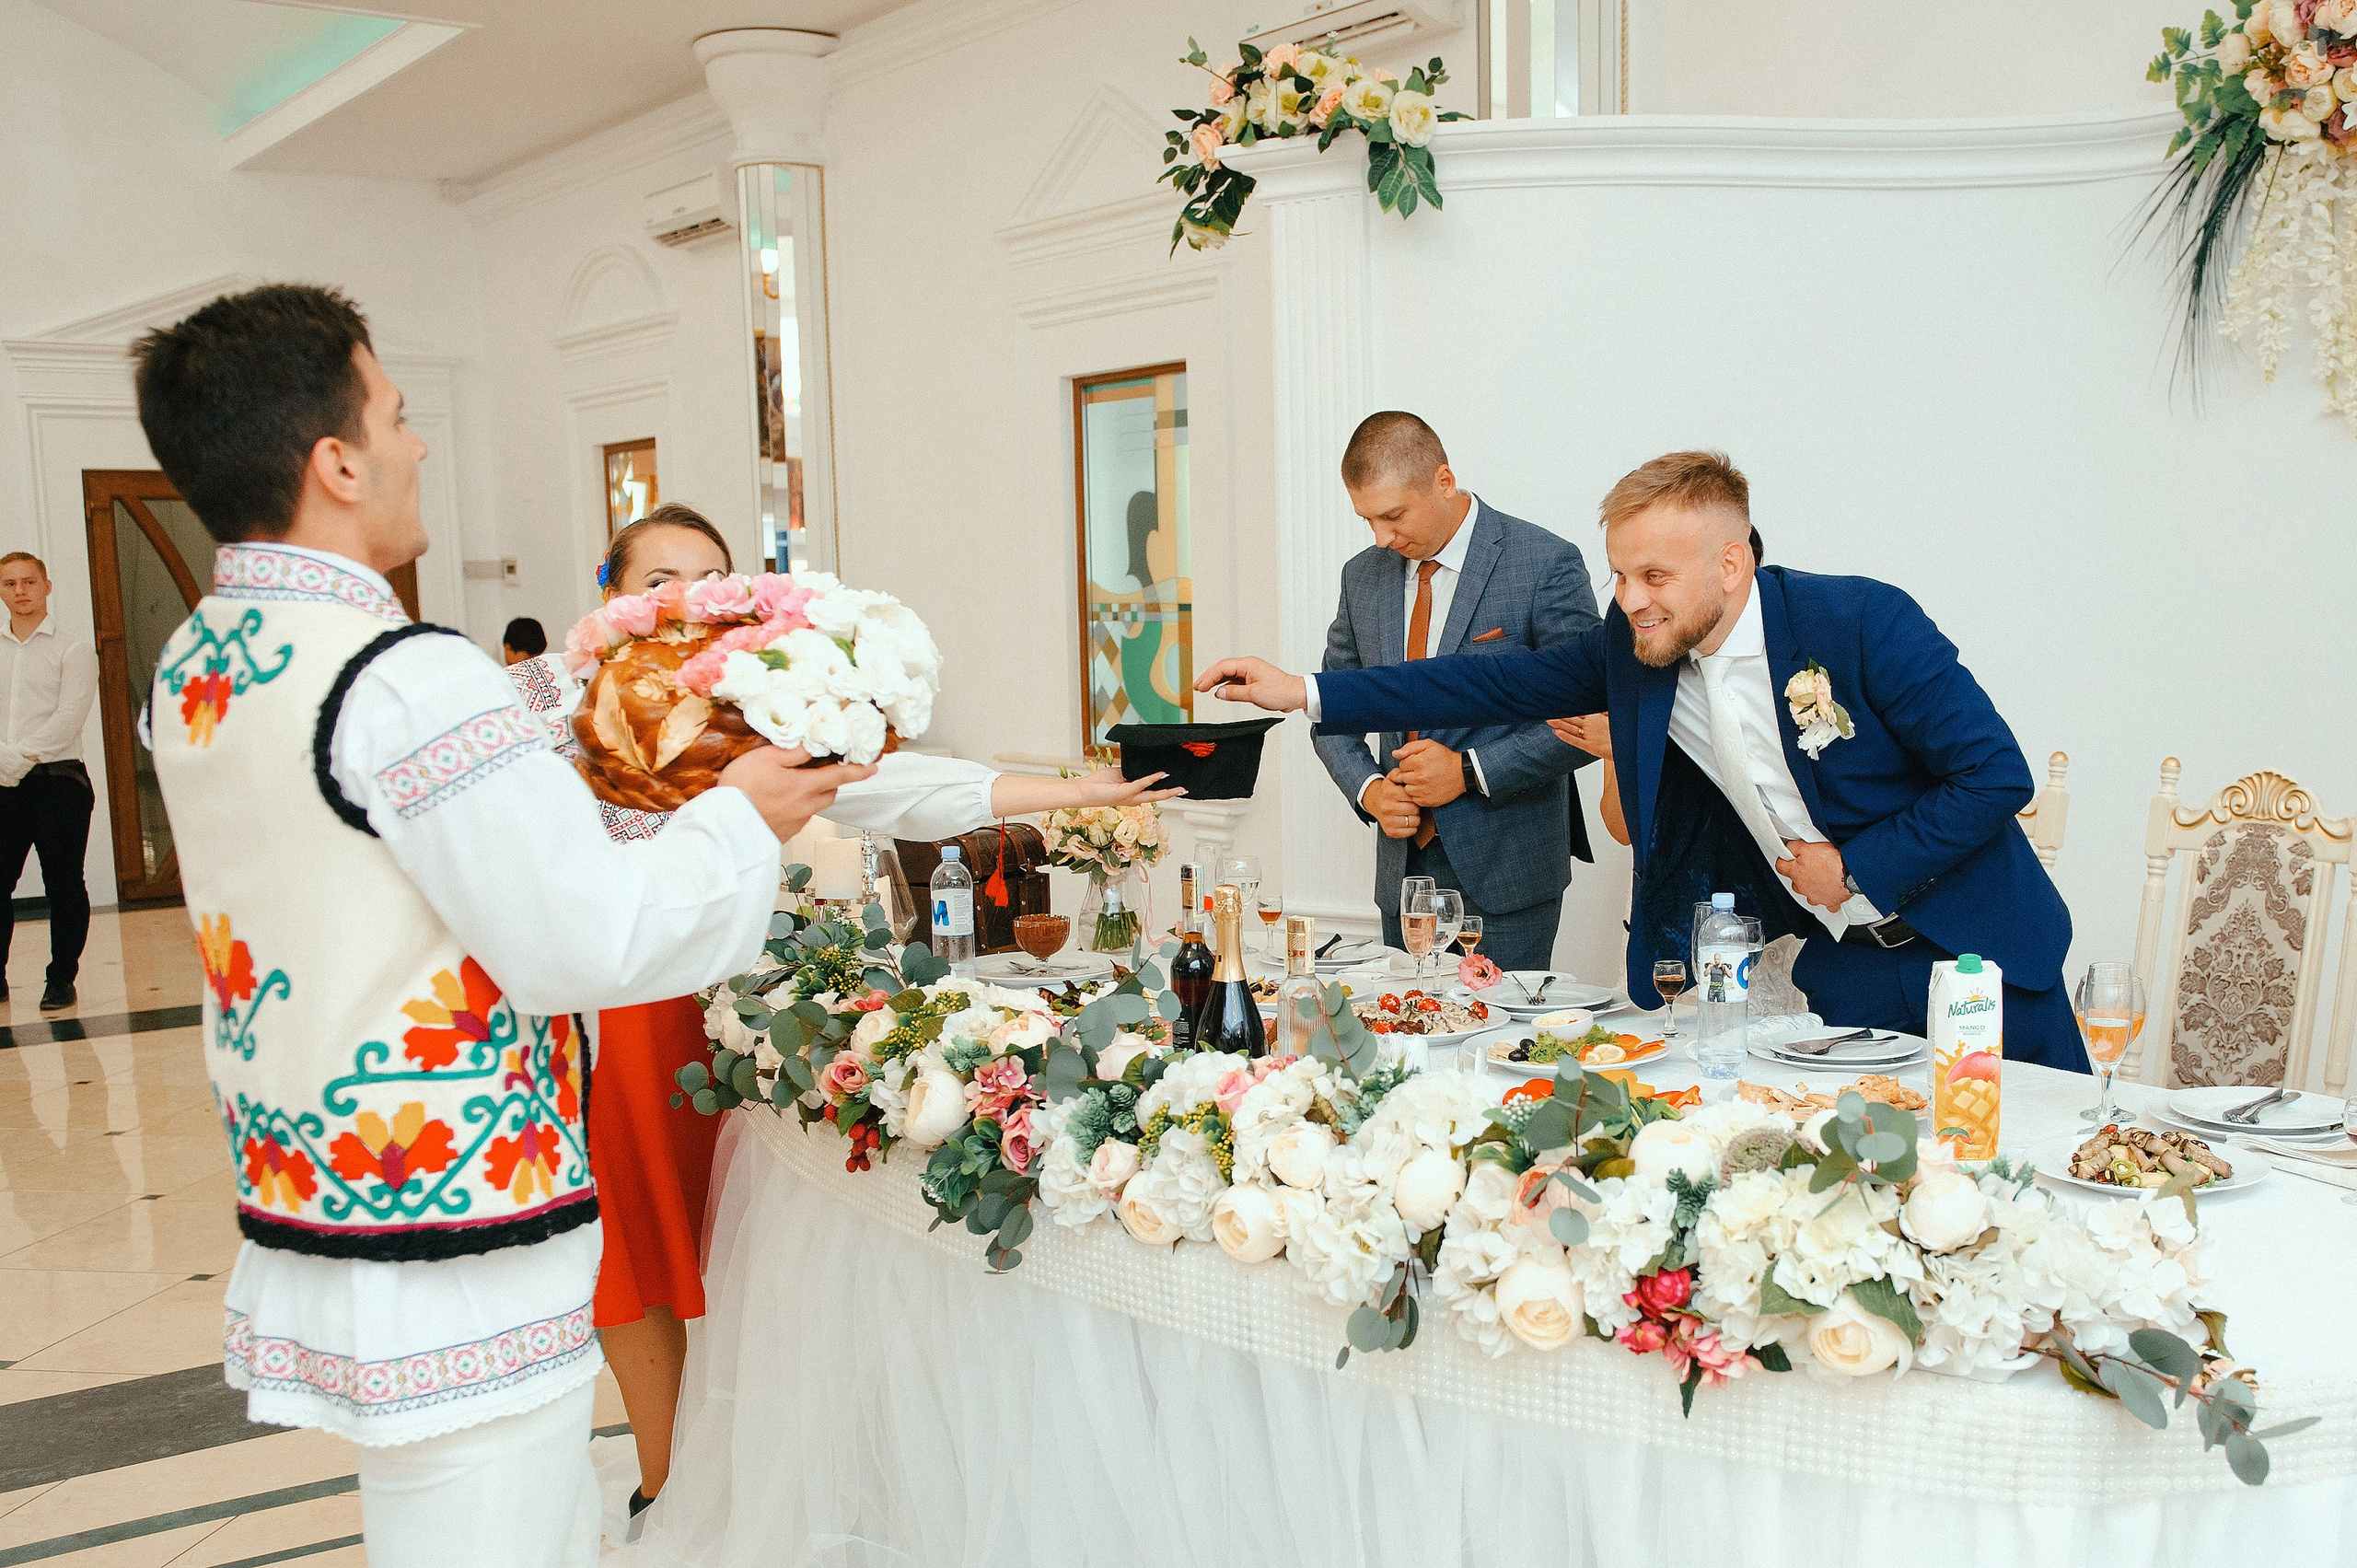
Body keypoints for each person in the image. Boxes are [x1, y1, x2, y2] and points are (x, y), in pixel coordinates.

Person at [132, 282, 872, 1568]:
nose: (419, 444)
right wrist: (743, 812)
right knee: (496, 1526)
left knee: (437, 1521)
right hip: (459, 1213)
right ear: (337, 459)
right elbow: (580, 938)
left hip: (325, 1188)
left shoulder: (204, 654)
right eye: (399, 414)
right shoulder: (404, 674)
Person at [508, 500, 1184, 1525]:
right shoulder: (543, 702)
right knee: (635, 1248)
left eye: (704, 583)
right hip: (602, 1017)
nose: (679, 601)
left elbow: (899, 788)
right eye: (657, 582)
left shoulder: (755, 707)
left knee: (736, 1242)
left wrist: (1073, 789)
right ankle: (666, 1479)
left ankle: (738, 1463)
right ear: (612, 592)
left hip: (720, 999)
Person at [1197, 451, 2085, 1071]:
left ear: (1731, 564)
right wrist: (1307, 691)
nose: (1629, 600)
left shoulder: (1861, 622)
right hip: (1847, 966)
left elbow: (1998, 776)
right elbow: (1486, 683)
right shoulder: (1633, 648)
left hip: (1985, 956)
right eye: (1620, 575)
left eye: (1654, 576)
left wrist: (1856, 865)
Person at [1310, 412, 1599, 973]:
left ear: (1444, 480)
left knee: (1501, 1049)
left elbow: (1592, 716)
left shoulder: (1545, 563)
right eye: (1367, 520)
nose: (1382, 538)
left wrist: (1468, 770)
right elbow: (1332, 708)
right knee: (1406, 1047)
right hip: (1402, 874)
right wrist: (1368, 788)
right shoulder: (1362, 576)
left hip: (1509, 876)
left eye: (1393, 515)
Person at [0, 551, 99, 1011]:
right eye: (9, 584)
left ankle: (61, 978)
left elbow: (69, 716)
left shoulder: (72, 648)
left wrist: (17, 758)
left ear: (46, 587)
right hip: (2, 782)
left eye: (28, 582)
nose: (19, 591)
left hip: (58, 781)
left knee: (63, 883)